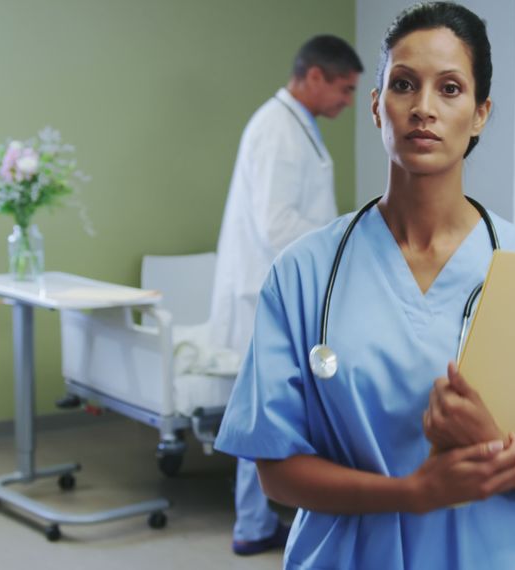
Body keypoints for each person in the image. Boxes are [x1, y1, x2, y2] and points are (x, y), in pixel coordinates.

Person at [214, 3, 515, 568]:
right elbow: (276, 471)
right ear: (377, 105)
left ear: (480, 114)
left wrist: (496, 448)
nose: (424, 108)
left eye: (450, 89)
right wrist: (414, 494)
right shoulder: (305, 273)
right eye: (404, 85)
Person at [207, 34, 362, 556]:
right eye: (344, 88)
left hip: (280, 287)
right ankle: (255, 524)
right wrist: (343, 243)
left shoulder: (297, 125)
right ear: (314, 76)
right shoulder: (277, 129)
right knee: (270, 412)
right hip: (266, 290)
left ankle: (256, 522)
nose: (348, 100)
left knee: (273, 410)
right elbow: (277, 224)